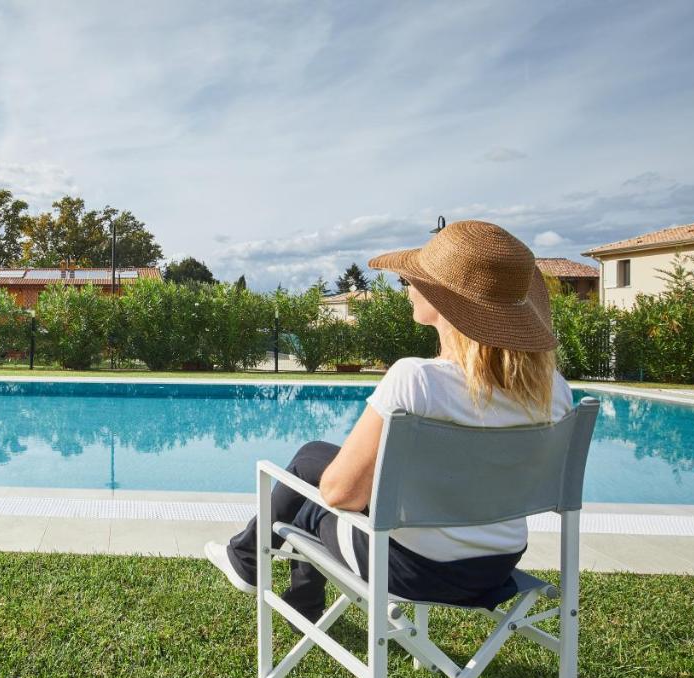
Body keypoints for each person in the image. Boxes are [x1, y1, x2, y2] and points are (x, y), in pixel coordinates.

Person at [204, 220, 574, 619]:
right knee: (314, 456)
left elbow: (342, 495)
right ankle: (271, 577)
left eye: (413, 281)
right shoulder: (554, 391)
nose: (409, 287)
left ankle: (259, 568)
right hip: (496, 567)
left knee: (313, 501)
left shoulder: (416, 380)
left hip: (410, 570)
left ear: (442, 297)